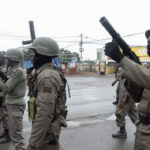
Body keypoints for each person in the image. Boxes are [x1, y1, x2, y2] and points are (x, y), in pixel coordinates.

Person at [104, 30, 150, 150]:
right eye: (148, 42)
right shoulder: (148, 68)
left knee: (120, 112)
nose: (148, 45)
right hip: (144, 130)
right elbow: (139, 96)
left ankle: (122, 130)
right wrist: (133, 73)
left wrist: (122, 59)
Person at [26, 37, 67, 150]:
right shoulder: (45, 72)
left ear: (41, 54)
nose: (31, 56)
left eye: (34, 52)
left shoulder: (47, 77)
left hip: (46, 132)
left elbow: (45, 113)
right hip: (47, 130)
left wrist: (32, 144)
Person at [0, 48, 26, 149]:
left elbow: (6, 88)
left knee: (16, 134)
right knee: (14, 133)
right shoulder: (14, 70)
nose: (5, 59)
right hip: (12, 104)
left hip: (15, 105)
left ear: (12, 59)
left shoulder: (18, 71)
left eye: (7, 58)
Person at [112, 69, 137, 138]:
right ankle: (141, 130)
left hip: (126, 97)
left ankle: (122, 132)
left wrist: (122, 101)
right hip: (130, 97)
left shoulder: (126, 70)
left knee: (119, 113)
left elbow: (124, 88)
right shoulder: (129, 69)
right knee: (133, 113)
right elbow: (120, 85)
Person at [0, 52, 11, 143]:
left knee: (5, 115)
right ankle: (5, 132)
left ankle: (8, 134)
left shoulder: (4, 70)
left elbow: (6, 83)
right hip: (2, 95)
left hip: (4, 95)